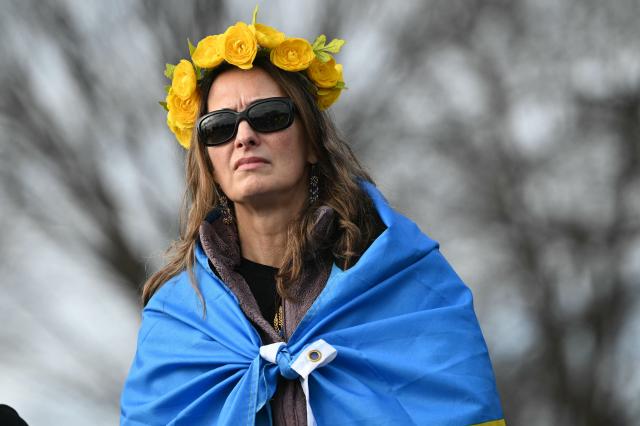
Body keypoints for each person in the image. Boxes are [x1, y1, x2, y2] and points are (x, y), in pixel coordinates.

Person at [120, 6, 505, 426]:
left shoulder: (405, 279)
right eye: (219, 127)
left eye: (269, 117)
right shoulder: (175, 318)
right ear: (208, 162)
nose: (245, 136)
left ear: (312, 144)